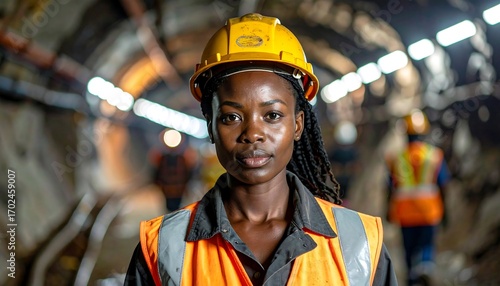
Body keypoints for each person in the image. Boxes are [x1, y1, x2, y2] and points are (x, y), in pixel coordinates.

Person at [125, 13, 397, 285]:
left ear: (298, 125)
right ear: (211, 128)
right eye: (231, 117)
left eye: (273, 116)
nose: (252, 134)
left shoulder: (359, 243)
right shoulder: (162, 248)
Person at [385, 109, 451, 286]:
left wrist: (388, 210)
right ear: (424, 132)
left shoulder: (396, 158)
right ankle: (424, 268)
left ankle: (411, 279)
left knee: (409, 247)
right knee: (426, 245)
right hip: (429, 211)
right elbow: (443, 185)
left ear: (405, 133)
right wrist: (446, 212)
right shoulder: (434, 155)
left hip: (405, 213)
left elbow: (390, 187)